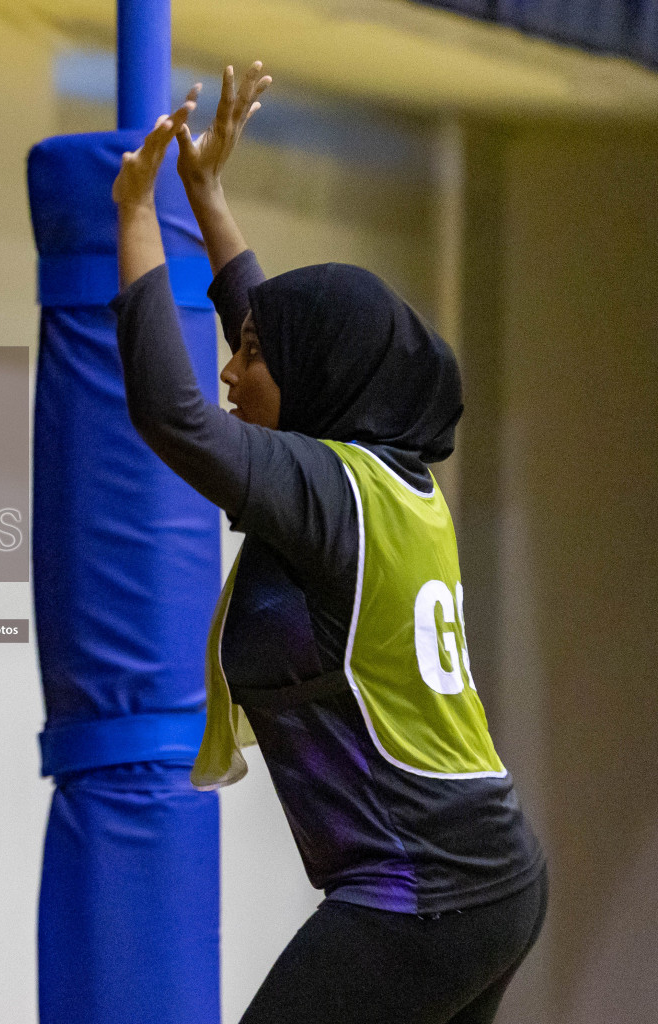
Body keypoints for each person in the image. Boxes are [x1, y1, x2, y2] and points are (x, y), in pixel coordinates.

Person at [110, 67, 547, 1023]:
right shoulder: (383, 478)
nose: (232, 366)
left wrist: (135, 213)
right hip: (489, 879)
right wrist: (209, 198)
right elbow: (280, 341)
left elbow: (172, 413)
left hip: (419, 892)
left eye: (251, 354)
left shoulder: (330, 492)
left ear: (317, 378)